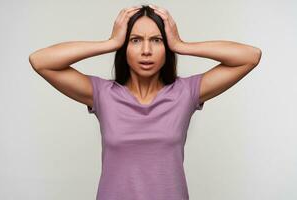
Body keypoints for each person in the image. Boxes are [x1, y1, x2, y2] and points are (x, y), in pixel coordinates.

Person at [29, 4, 262, 200]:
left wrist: (182, 45)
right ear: (125, 47)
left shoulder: (185, 92)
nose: (147, 50)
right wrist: (110, 42)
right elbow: (40, 61)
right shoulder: (102, 94)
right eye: (136, 40)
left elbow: (249, 56)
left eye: (157, 40)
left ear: (166, 48)